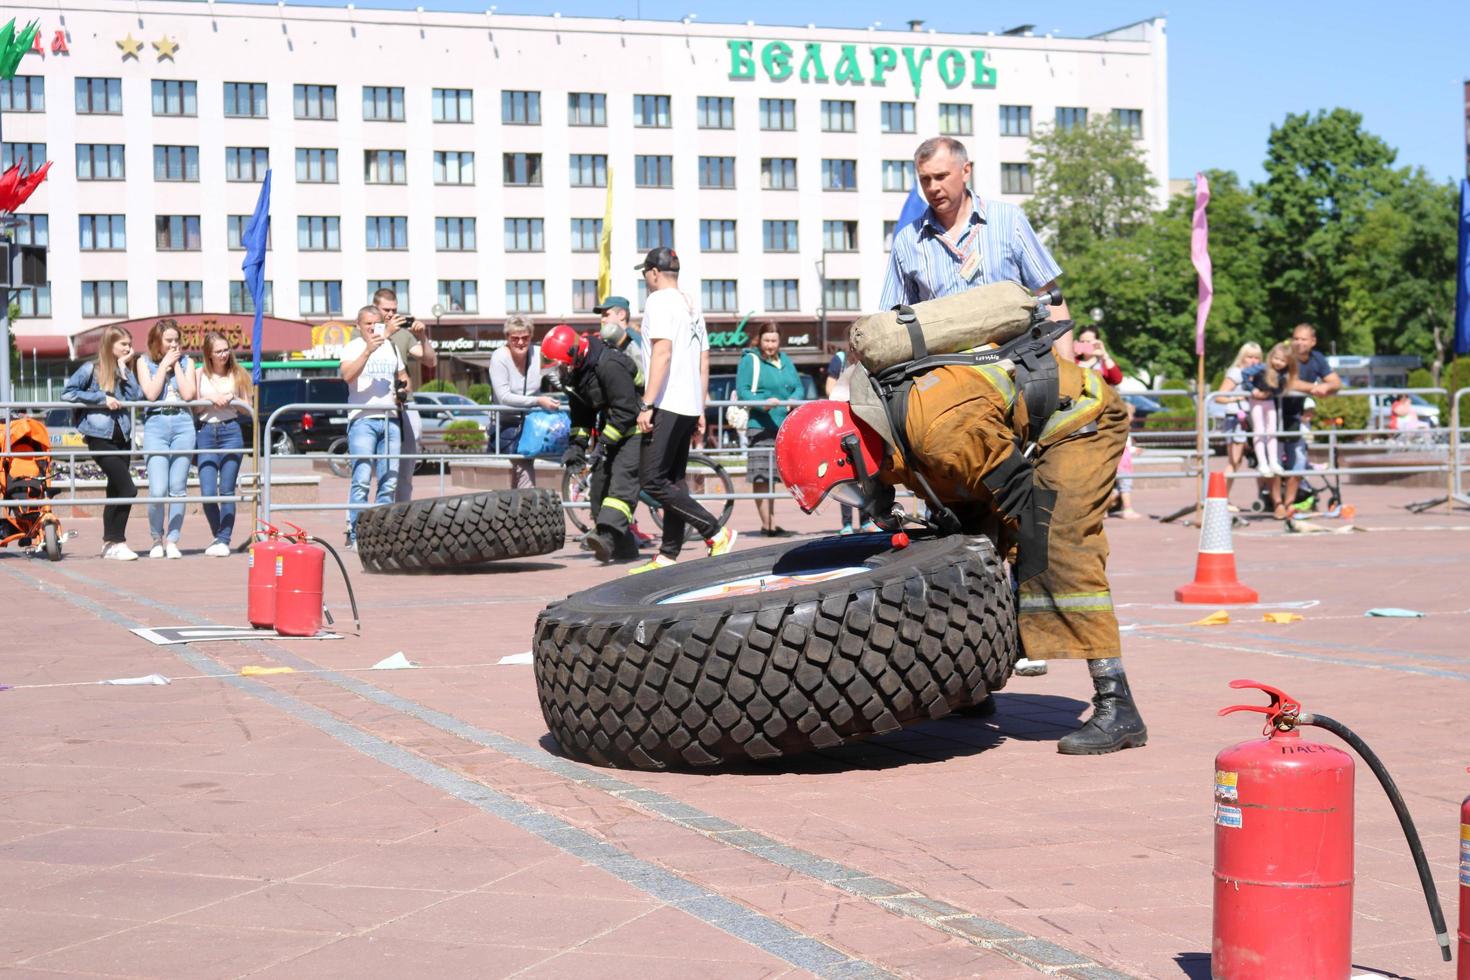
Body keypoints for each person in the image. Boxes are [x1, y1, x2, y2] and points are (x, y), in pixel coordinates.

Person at [775, 331, 1147, 754]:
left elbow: (1021, 504)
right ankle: (972, 683)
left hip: (1079, 418)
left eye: (846, 487)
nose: (855, 497)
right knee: (960, 545)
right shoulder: (895, 435)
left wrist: (1022, 589)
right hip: (999, 439)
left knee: (1055, 540)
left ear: (850, 452)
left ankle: (1117, 703)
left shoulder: (939, 434)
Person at [881, 134, 1068, 678]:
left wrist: (1067, 376)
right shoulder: (907, 244)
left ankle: (1030, 632)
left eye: (941, 177)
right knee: (962, 521)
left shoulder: (1008, 222)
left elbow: (1053, 299)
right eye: (924, 180)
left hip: (1019, 380)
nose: (933, 188)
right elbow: (892, 322)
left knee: (1025, 508)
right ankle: (971, 665)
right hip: (951, 400)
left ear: (967, 172)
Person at [630, 246, 738, 572]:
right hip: (688, 403)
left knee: (651, 480)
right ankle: (668, 553)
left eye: (645, 274)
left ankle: (715, 531)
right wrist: (701, 407)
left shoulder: (658, 301)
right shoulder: (691, 304)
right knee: (673, 481)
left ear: (653, 273)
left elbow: (661, 352)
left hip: (666, 401)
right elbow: (703, 357)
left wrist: (647, 403)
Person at [543, 324, 644, 564]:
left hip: (637, 428)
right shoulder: (577, 375)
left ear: (574, 354)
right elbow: (582, 417)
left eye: (560, 365)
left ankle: (607, 538)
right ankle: (624, 549)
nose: (558, 372)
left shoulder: (608, 365)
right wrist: (576, 447)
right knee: (598, 489)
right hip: (614, 429)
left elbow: (625, 410)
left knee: (620, 487)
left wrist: (603, 444)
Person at [62, 326, 143, 560]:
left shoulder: (124, 369)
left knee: (116, 489)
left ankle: (110, 544)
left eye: (129, 344)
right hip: (99, 437)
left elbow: (136, 396)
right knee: (128, 488)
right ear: (110, 345)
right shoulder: (90, 369)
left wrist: (123, 369)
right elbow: (67, 394)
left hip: (123, 437)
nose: (129, 349)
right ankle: (117, 541)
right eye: (123, 345)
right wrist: (101, 398)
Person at [339, 305, 408, 549]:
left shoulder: (391, 347)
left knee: (388, 481)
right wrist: (368, 351)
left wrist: (403, 390)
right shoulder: (354, 346)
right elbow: (346, 375)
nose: (372, 327)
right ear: (359, 325)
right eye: (367, 323)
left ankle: (378, 536)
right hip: (363, 420)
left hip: (390, 419)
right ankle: (356, 535)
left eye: (376, 323)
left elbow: (404, 378)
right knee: (362, 479)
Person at [136, 319, 198, 559]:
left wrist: (178, 367)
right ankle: (156, 538)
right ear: (157, 342)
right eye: (168, 340)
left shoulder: (187, 361)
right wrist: (163, 366)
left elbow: (189, 394)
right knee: (158, 489)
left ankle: (173, 539)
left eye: (176, 340)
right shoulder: (143, 362)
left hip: (183, 423)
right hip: (156, 425)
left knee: (178, 489)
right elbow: (150, 394)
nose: (174, 345)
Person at [736, 322, 804, 537]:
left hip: (782, 426)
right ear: (759, 339)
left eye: (774, 341)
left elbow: (798, 386)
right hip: (760, 425)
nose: (770, 345)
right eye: (766, 340)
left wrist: (795, 400)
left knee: (773, 478)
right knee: (761, 477)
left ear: (779, 341)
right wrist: (762, 402)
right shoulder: (750, 360)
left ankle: (772, 523)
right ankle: (767, 525)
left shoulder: (785, 361)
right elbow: (742, 391)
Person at [372, 288, 438, 501]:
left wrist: (423, 337)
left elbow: (430, 361)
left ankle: (402, 511)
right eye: (386, 310)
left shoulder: (403, 334)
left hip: (405, 403)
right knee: (376, 468)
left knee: (407, 460)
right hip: (375, 404)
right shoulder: (365, 330)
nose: (391, 314)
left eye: (394, 310)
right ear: (376, 308)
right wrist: (386, 332)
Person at [194, 331, 251, 557]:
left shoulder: (238, 373)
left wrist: (232, 398)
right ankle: (218, 536)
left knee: (227, 489)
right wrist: (209, 400)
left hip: (230, 431)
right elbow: (195, 408)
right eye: (218, 351)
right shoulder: (199, 374)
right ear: (208, 354)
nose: (224, 354)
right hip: (206, 432)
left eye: (226, 349)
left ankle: (223, 539)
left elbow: (248, 405)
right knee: (208, 492)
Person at [489, 315, 559, 489]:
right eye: (515, 338)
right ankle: (524, 508)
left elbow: (558, 381)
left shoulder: (539, 354)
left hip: (532, 423)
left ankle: (519, 509)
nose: (520, 342)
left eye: (525, 338)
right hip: (505, 423)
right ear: (507, 338)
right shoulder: (498, 357)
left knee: (523, 468)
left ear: (531, 337)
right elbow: (504, 396)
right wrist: (538, 400)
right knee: (521, 468)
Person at [1280, 324, 1341, 510]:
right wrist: (1313, 388)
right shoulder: (1285, 356)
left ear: (1313, 341)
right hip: (1273, 414)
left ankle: (1288, 504)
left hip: (1294, 417)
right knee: (1271, 463)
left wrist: (1326, 387)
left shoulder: (1317, 358)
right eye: (1295, 338)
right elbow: (1288, 381)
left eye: (1303, 339)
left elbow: (1335, 382)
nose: (1298, 342)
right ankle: (1275, 503)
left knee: (1297, 461)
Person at [1241, 342, 1294, 517]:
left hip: (1269, 401)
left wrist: (1274, 392)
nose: (1278, 363)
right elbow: (1245, 373)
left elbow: (1280, 387)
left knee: (1271, 431)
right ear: (1271, 357)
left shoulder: (1282, 374)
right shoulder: (1261, 368)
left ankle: (1273, 462)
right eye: (1277, 359)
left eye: (1282, 360)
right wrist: (1253, 390)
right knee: (1259, 431)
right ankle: (1263, 463)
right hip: (1257, 401)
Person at [1213, 343, 1262, 510]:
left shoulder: (1256, 374)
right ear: (1242, 357)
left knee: (1240, 461)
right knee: (1234, 461)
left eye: (1256, 357)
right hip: (1236, 419)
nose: (1253, 360)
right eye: (1250, 356)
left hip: (1249, 419)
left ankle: (1222, 499)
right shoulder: (1236, 372)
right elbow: (1219, 397)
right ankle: (1220, 499)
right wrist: (1238, 398)